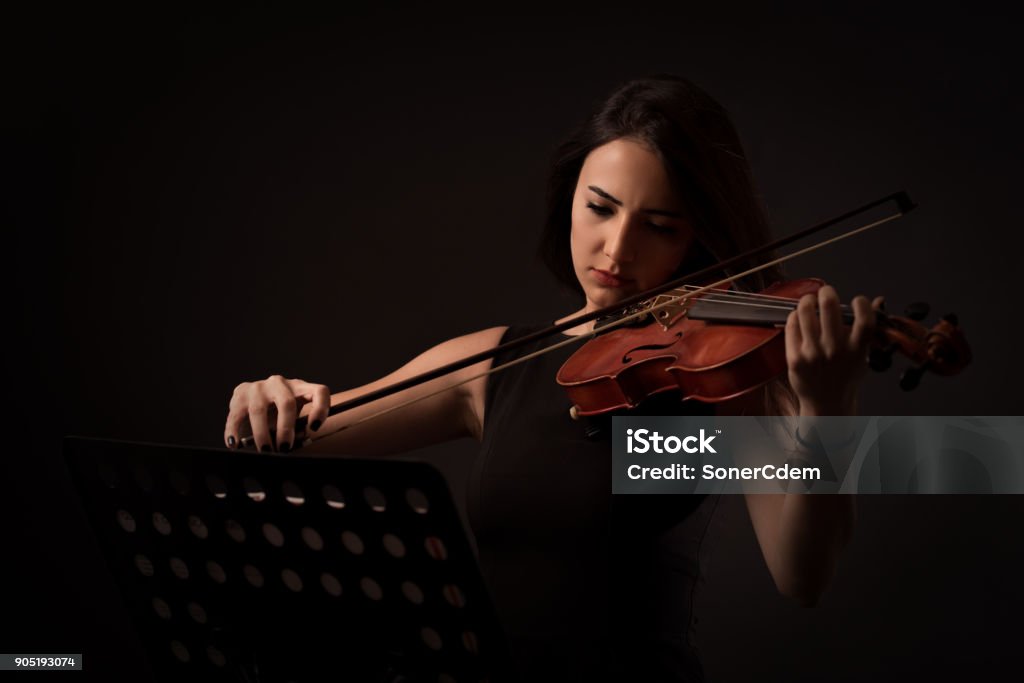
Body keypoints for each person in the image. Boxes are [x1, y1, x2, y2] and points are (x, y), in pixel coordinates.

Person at [223, 74, 880, 681]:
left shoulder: (715, 382)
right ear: (570, 198)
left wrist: (827, 404)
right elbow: (288, 439)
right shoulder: (491, 364)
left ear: (697, 240)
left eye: (658, 226)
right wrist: (270, 397)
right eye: (600, 208)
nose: (617, 249)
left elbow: (803, 575)